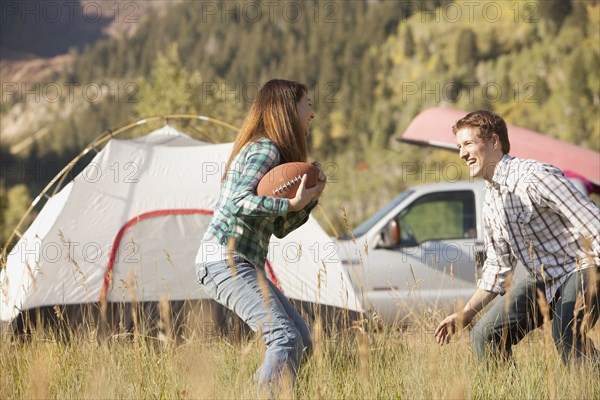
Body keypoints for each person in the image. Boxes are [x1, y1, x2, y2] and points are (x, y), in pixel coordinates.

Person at [434, 110, 600, 365]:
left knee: (566, 333)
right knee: (486, 335)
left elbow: (593, 221)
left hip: (584, 266)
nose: (461, 154)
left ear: (493, 141)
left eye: (468, 144)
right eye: (459, 146)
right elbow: (498, 267)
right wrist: (466, 313)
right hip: (546, 278)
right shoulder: (491, 202)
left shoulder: (534, 176)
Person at [195, 79, 326, 392]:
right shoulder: (264, 148)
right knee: (284, 337)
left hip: (243, 263)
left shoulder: (275, 154)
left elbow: (279, 228)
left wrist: (309, 199)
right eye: (307, 104)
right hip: (224, 261)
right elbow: (237, 201)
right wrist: (290, 202)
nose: (312, 113)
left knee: (302, 340)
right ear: (288, 109)